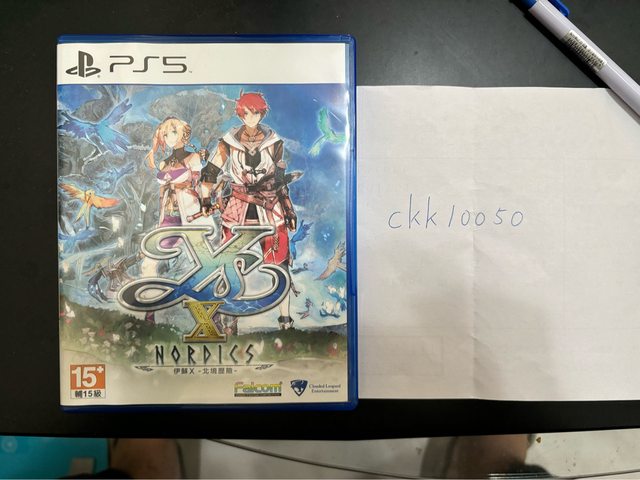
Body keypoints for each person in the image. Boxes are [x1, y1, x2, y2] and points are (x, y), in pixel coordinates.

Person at [200, 92, 297, 330]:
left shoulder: (274, 141)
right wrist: (205, 198)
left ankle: (285, 321)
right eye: (246, 112)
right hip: (238, 205)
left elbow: (280, 180)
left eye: (255, 112)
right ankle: (229, 318)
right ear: (240, 113)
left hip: (269, 206)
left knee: (279, 262)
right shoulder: (228, 141)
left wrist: (287, 208)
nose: (251, 117)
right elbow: (211, 170)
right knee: (229, 263)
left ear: (262, 113)